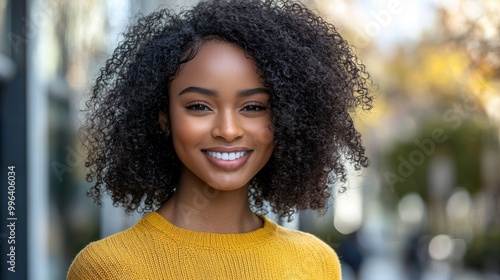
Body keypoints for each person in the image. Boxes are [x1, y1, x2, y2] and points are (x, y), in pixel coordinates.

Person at [67, 0, 372, 279]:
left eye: (253, 107)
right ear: (164, 117)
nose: (228, 130)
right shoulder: (107, 268)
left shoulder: (315, 263)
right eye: (199, 106)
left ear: (287, 118)